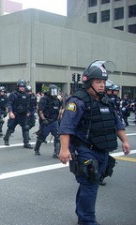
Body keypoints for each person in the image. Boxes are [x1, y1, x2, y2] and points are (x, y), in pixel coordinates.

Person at [58, 60, 130, 225]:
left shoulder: (106, 101)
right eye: (98, 82)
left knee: (89, 184)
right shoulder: (77, 101)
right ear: (88, 82)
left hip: (102, 150)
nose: (102, 85)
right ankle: (87, 220)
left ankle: (81, 214)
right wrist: (64, 149)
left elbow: (117, 123)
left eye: (104, 82)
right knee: (90, 184)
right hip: (85, 150)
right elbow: (66, 127)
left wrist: (124, 141)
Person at [34, 84, 62, 158]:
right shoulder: (44, 99)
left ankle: (56, 152)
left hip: (54, 121)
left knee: (58, 137)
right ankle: (36, 149)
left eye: (56, 91)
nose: (54, 93)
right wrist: (43, 119)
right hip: (46, 121)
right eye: (53, 91)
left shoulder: (57, 100)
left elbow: (60, 109)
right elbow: (40, 110)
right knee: (41, 137)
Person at [3, 79, 33, 149]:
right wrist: (10, 112)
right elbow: (9, 104)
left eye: (23, 86)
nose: (22, 88)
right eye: (20, 86)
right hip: (15, 114)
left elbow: (28, 104)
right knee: (11, 128)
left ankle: (26, 143)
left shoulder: (26, 94)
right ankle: (6, 138)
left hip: (23, 114)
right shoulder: (13, 94)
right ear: (18, 87)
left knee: (25, 128)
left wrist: (28, 111)